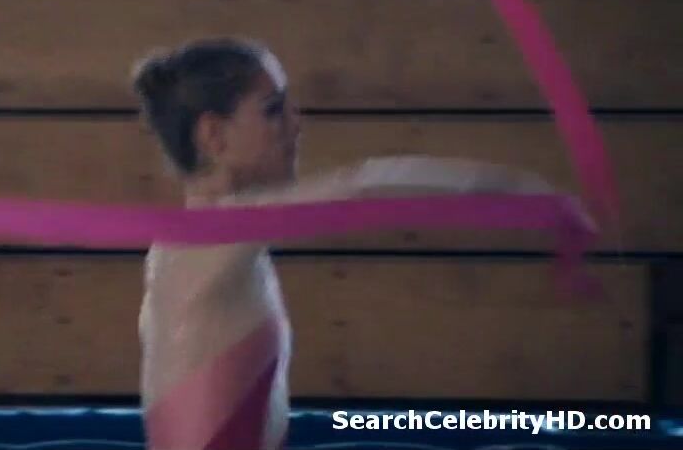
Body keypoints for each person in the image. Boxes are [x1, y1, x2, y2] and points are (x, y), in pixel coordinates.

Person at [130, 37, 569, 449]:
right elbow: (366, 186)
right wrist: (522, 191)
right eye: (273, 110)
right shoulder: (211, 238)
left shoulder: (201, 243)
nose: (296, 124)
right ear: (214, 136)